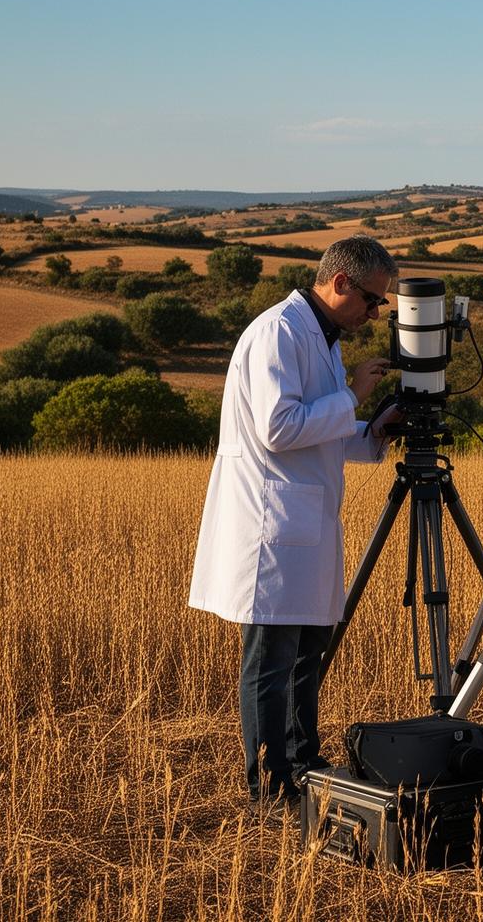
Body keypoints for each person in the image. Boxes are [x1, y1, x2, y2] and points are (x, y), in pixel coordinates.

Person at [188, 235, 399, 806]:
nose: (376, 313)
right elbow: (279, 428)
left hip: (303, 521)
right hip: (272, 526)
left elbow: (321, 435)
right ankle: (268, 782)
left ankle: (303, 760)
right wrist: (353, 395)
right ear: (340, 284)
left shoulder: (321, 337)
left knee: (308, 652)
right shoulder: (278, 332)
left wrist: (374, 429)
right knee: (271, 661)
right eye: (374, 301)